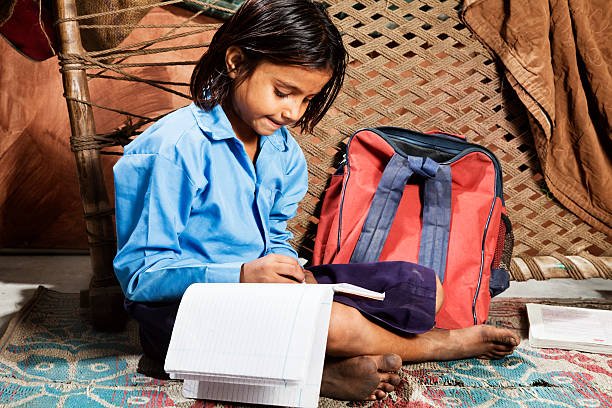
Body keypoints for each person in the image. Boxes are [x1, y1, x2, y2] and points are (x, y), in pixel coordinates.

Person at [113, 0, 519, 402]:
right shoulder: (173, 149)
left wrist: (292, 271)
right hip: (184, 309)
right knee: (332, 324)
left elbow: (273, 235)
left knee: (423, 288)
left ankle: (311, 365)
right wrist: (239, 275)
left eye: (307, 99)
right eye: (282, 92)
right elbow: (140, 278)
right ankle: (432, 346)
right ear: (236, 62)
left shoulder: (282, 151)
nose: (292, 111)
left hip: (264, 291)